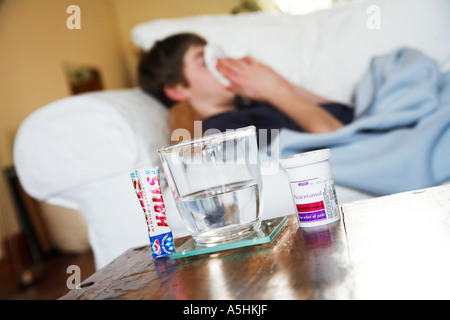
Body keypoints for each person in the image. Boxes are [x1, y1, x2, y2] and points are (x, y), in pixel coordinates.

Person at [138, 33, 353, 139]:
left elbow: (344, 114)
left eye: (216, 56)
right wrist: (276, 91)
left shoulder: (254, 105)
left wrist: (280, 85)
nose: (220, 65)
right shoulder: (226, 133)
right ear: (177, 90)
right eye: (204, 62)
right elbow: (342, 141)